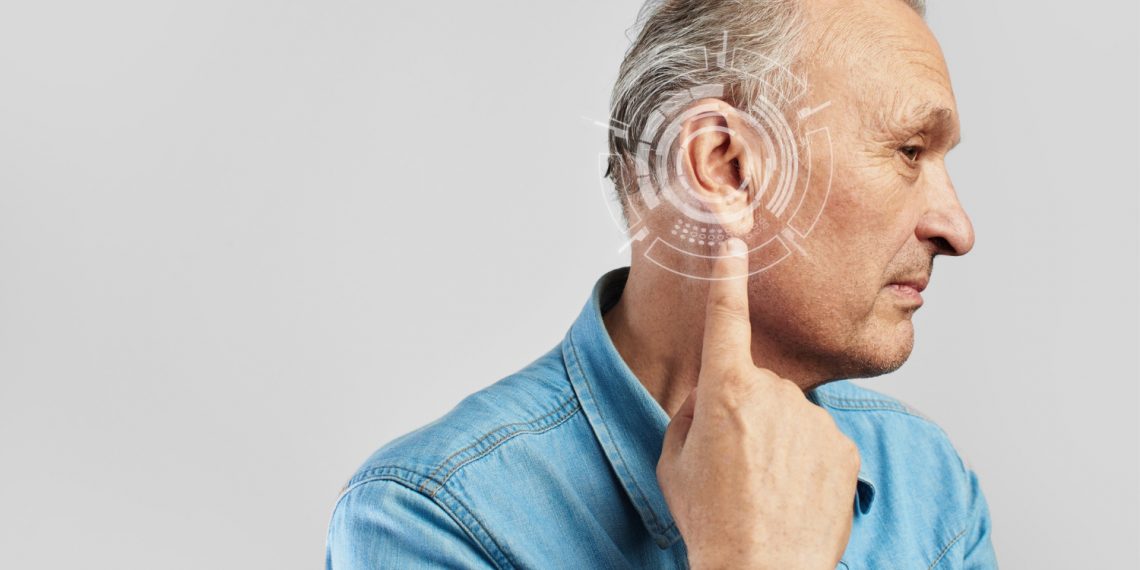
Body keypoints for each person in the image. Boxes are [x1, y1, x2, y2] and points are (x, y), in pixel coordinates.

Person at [325, 0, 999, 567]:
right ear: (725, 167)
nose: (958, 228)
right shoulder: (432, 517)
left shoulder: (927, 482)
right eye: (910, 152)